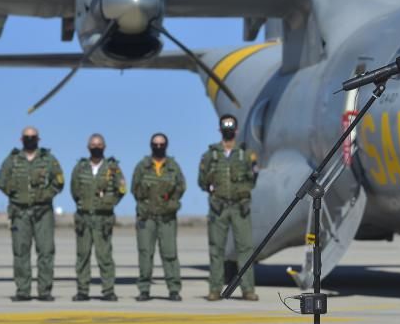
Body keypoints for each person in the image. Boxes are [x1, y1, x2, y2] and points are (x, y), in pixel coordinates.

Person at [0, 126, 64, 301]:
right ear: (21, 140)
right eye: (27, 137)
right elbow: (2, 181)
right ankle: (23, 290)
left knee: (46, 251)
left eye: (33, 137)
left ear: (38, 139)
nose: (30, 139)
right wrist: (15, 194)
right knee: (21, 252)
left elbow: (59, 182)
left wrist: (46, 195)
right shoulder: (12, 160)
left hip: (43, 212)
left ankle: (45, 291)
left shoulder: (48, 159)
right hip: (20, 212)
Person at [198, 115, 259, 301]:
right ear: (219, 130)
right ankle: (215, 288)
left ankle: (248, 289)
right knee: (216, 249)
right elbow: (201, 181)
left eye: (231, 127)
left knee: (245, 248)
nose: (228, 131)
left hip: (240, 207)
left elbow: (253, 178)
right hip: (219, 207)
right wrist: (211, 188)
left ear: (237, 130)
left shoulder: (246, 154)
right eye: (225, 127)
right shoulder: (211, 155)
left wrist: (243, 193)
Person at [70, 134, 126, 302]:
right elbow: (74, 190)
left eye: (99, 144)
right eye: (93, 144)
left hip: (103, 219)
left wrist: (109, 203)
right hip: (84, 218)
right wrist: (84, 205)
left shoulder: (113, 168)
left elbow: (121, 189)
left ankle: (108, 291)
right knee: (82, 256)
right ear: (88, 147)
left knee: (105, 256)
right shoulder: (80, 168)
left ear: (105, 147)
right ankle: (82, 291)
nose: (96, 147)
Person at [131, 133, 186, 302]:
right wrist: (145, 206)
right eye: (155, 144)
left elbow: (181, 187)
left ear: (167, 145)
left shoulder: (173, 167)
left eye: (162, 144)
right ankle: (144, 289)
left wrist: (171, 204)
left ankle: (174, 289)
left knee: (169, 253)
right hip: (147, 218)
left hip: (167, 218)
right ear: (150, 145)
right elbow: (135, 189)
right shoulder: (142, 166)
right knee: (145, 253)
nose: (158, 147)